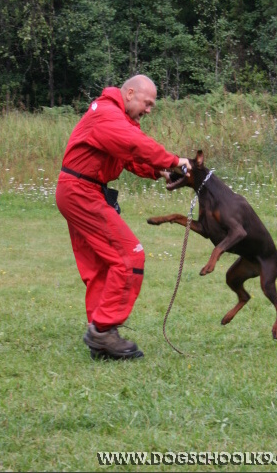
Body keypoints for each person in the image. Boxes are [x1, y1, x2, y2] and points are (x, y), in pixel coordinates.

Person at [55, 75, 190, 361]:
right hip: (81, 192)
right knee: (130, 256)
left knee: (101, 266)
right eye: (148, 103)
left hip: (77, 190)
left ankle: (101, 335)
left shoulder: (113, 118)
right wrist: (173, 160)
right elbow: (133, 144)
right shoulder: (107, 114)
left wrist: (159, 171)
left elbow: (128, 157)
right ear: (130, 93)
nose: (149, 110)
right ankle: (103, 330)